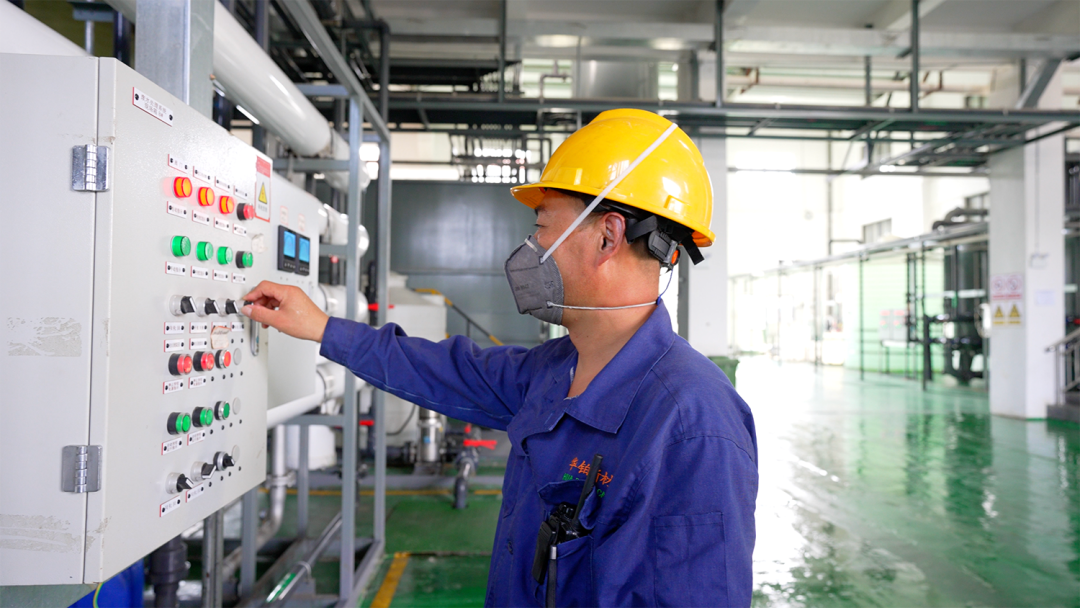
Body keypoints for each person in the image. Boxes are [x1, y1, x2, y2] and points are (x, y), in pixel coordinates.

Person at [242, 109, 757, 607]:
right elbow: (441, 370)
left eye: (543, 225)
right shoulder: (554, 369)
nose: (533, 245)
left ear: (608, 235)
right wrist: (322, 327)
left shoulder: (694, 425)